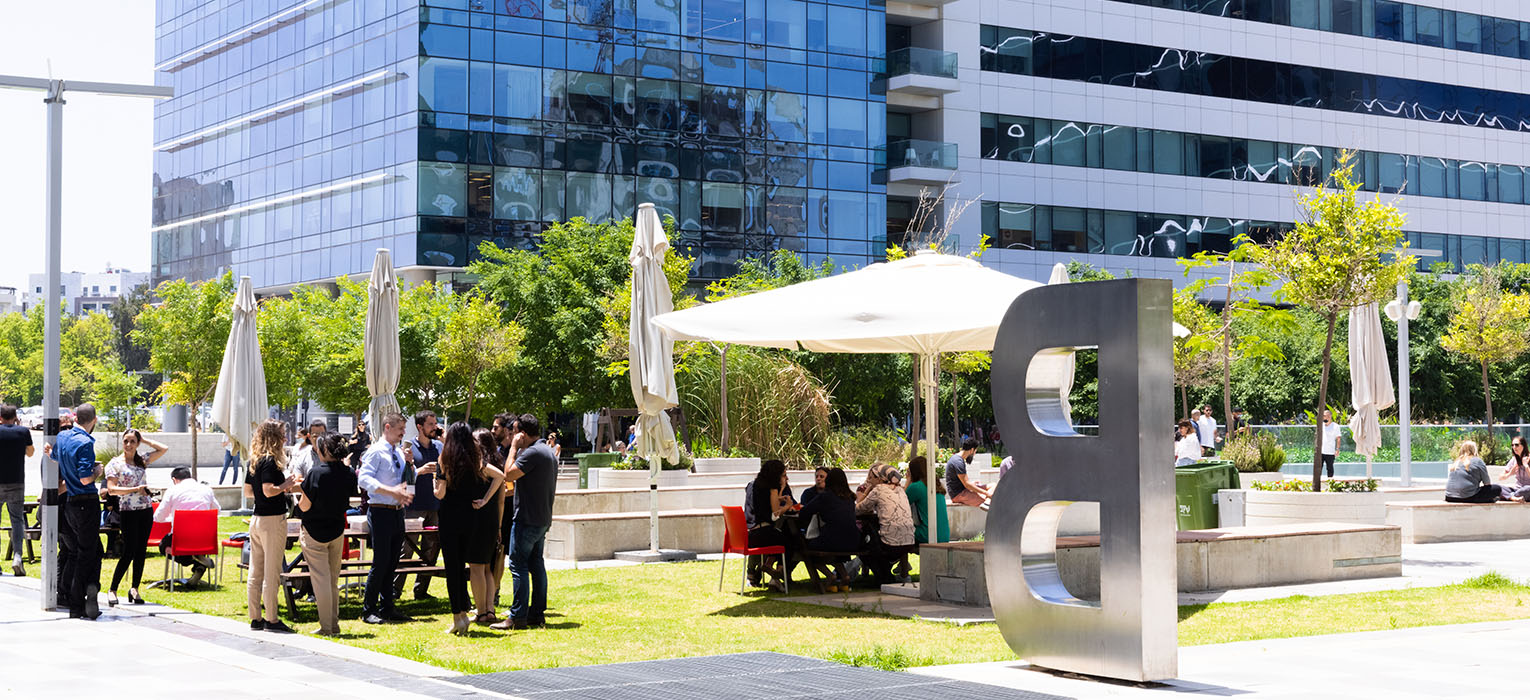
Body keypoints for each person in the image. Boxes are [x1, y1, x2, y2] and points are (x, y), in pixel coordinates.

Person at [433, 422, 505, 634]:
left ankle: (459, 617)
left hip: (450, 519)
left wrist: (433, 482)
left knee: (453, 569)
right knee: (468, 567)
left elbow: (441, 494)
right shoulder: (476, 460)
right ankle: (464, 614)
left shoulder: (445, 460)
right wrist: (484, 500)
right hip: (471, 519)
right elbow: (500, 476)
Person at [492, 414, 558, 631]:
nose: (513, 435)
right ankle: (536, 614)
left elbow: (508, 475)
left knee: (518, 565)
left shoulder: (531, 453)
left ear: (523, 433)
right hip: (542, 518)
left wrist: (512, 448)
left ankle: (517, 616)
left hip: (527, 518)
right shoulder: (547, 450)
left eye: (516, 431)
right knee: (536, 564)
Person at [358, 412, 421, 625]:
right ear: (387, 427)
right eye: (400, 429)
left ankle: (387, 607)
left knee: (393, 560)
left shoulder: (400, 453)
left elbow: (406, 480)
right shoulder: (375, 452)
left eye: (404, 429)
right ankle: (369, 609)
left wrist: (411, 468)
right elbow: (364, 478)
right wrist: (391, 491)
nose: (403, 433)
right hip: (380, 510)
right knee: (381, 561)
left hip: (397, 511)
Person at [44, 403, 102, 620]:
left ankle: (89, 588)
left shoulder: (64, 437)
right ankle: (79, 601)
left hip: (70, 503)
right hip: (87, 502)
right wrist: (97, 471)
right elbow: (86, 477)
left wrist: (51, 453)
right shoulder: (86, 442)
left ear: (76, 417)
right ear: (94, 420)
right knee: (88, 553)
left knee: (92, 550)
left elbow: (57, 457)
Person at [296, 432, 358, 637]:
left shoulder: (316, 473)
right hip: (337, 528)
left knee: (321, 580)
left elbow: (305, 505)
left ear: (324, 450)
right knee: (332, 579)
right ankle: (333, 623)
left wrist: (297, 507)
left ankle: (326, 626)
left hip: (314, 529)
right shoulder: (348, 472)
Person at [103, 429, 169, 605]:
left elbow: (164, 449)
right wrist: (135, 489)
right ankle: (113, 589)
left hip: (145, 510)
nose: (129, 445)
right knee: (129, 551)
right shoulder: (115, 464)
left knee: (141, 552)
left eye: (133, 441)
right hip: (127, 511)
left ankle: (134, 588)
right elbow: (111, 489)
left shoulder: (141, 461)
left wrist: (144, 439)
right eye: (126, 441)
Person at [246, 419, 298, 632]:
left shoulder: (255, 460)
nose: (285, 438)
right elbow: (269, 490)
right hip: (272, 520)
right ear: (274, 437)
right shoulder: (270, 461)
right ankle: (272, 619)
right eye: (282, 434)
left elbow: (249, 492)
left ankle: (255, 618)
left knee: (255, 571)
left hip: (257, 518)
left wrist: (265, 494)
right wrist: (287, 485)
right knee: (272, 571)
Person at [398, 410, 443, 602]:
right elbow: (401, 476)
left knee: (431, 549)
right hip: (413, 506)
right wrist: (419, 471)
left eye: (435, 423)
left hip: (435, 504)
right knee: (406, 549)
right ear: (420, 426)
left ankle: (421, 590)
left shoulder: (439, 447)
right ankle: (395, 589)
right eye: (431, 424)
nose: (435, 427)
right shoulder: (408, 448)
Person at [796, 467, 858, 592]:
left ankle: (830, 575)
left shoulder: (825, 496)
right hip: (854, 540)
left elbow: (804, 513)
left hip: (832, 539)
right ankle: (845, 576)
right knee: (836, 547)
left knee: (807, 549)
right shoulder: (850, 497)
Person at [154, 467, 219, 580]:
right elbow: (217, 510)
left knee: (163, 546)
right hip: (205, 539)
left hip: (182, 539)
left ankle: (194, 559)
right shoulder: (206, 489)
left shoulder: (172, 491)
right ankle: (199, 563)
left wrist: (173, 517)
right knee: (195, 545)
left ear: (174, 480)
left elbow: (158, 517)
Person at [857, 463, 916, 584]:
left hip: (890, 544)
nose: (869, 480)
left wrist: (868, 488)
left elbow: (858, 509)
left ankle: (884, 577)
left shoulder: (878, 490)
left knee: (864, 546)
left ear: (879, 478)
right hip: (909, 542)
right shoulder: (900, 490)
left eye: (872, 478)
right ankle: (889, 574)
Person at [742, 459, 794, 593]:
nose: (785, 477)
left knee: (782, 535)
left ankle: (771, 570)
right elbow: (774, 515)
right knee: (791, 541)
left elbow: (761, 505)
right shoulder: (772, 489)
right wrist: (787, 506)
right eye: (783, 475)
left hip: (750, 535)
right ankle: (778, 573)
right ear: (776, 475)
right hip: (763, 534)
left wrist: (778, 497)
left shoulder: (752, 485)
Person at [489, 413, 519, 608]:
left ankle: (520, 599)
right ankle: (493, 594)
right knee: (495, 554)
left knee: (515, 558)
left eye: (496, 427)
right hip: (497, 509)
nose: (493, 431)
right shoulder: (496, 451)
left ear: (508, 430)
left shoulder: (519, 453)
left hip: (513, 510)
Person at [0, 405, 34, 576]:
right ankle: (18, 557)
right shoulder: (23, 432)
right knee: (17, 520)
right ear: (15, 416)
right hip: (17, 482)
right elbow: (30, 453)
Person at [905, 456, 949, 544]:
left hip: (927, 535)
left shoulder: (916, 487)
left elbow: (900, 503)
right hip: (944, 536)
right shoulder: (936, 486)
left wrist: (908, 480)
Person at [945, 438, 990, 509]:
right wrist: (986, 493)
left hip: (964, 490)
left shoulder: (958, 459)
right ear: (972, 450)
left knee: (992, 486)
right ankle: (987, 502)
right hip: (959, 495)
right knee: (990, 503)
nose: (974, 454)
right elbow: (967, 484)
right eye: (975, 451)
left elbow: (965, 483)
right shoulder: (958, 461)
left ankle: (987, 501)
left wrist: (972, 484)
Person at [1500, 436, 1530, 501]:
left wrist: (1526, 466)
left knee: (1527, 489)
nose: (1514, 447)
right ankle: (1513, 497)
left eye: (1516, 445)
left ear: (1523, 446)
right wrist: (1510, 473)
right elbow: (1500, 477)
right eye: (1512, 445)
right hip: (1517, 489)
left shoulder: (1529, 458)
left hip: (1526, 490)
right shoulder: (1514, 459)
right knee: (1497, 487)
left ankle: (1509, 496)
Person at [1319, 410, 1342, 478]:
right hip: (1321, 451)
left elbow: (1338, 438)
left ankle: (1330, 482)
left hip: (1330, 451)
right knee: (1318, 468)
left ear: (1330, 416)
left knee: (1330, 468)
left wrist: (1337, 449)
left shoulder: (1335, 426)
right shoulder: (1321, 425)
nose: (1326, 417)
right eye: (1324, 416)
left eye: (1327, 416)